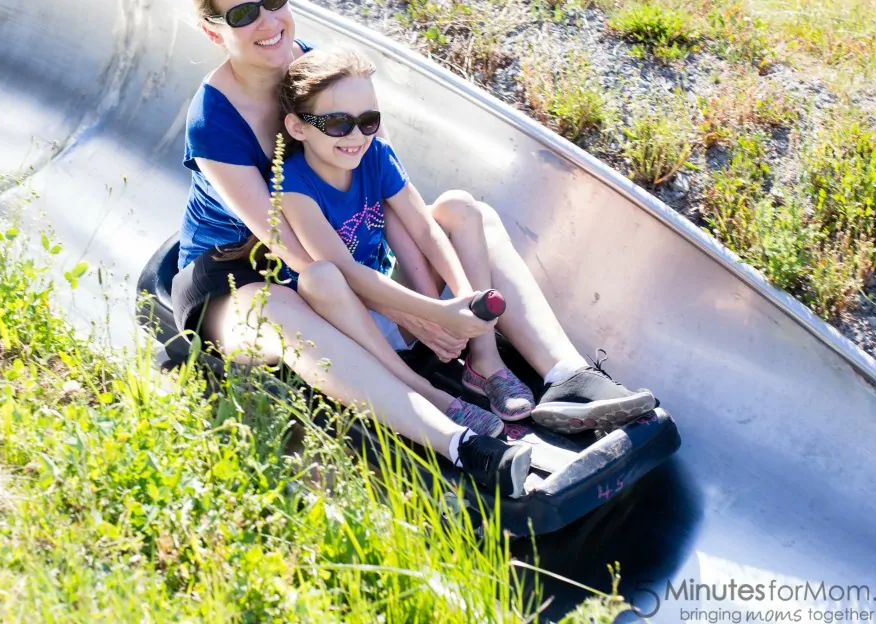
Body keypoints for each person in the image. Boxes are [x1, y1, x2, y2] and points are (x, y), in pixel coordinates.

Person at [155, 0, 533, 498]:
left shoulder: (308, 65)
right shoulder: (214, 121)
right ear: (215, 31)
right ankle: (456, 439)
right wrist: (425, 314)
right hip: (240, 276)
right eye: (242, 14)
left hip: (334, 253)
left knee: (463, 214)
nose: (267, 20)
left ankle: (551, 370)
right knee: (283, 305)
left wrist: (444, 291)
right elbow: (295, 254)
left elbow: (377, 170)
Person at [276, 48, 657, 435]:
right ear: (298, 127)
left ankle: (485, 360)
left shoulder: (374, 154)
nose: (356, 136)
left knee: (459, 206)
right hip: (353, 328)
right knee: (321, 277)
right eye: (339, 124)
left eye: (368, 120)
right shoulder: (294, 185)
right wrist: (437, 313)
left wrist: (467, 305)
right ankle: (425, 393)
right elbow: (350, 275)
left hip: (397, 301)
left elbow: (424, 228)